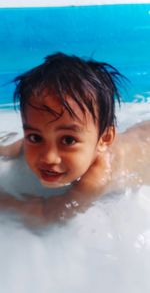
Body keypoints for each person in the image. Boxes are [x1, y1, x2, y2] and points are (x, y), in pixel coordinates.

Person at [0, 52, 149, 224]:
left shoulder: (97, 177)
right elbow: (24, 145)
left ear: (104, 139)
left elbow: (51, 216)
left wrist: (5, 201)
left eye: (68, 140)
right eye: (35, 137)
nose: (48, 157)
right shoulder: (57, 143)